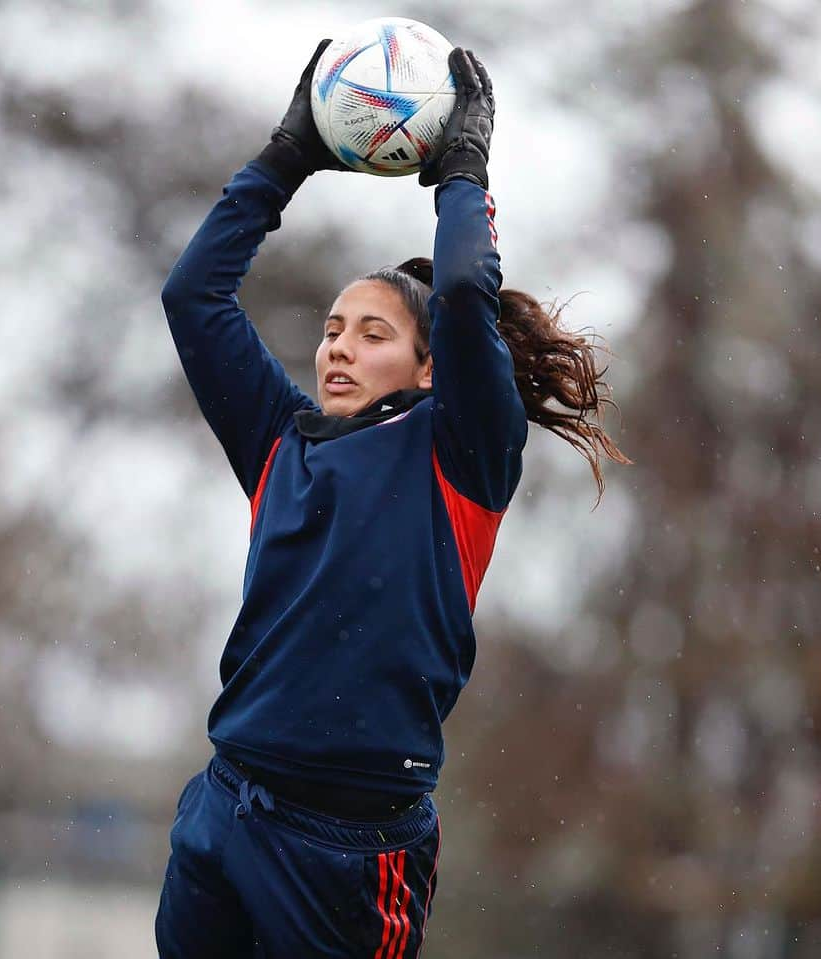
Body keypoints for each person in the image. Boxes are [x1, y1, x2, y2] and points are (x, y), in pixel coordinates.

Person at [155, 41, 629, 959]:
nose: (337, 346)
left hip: (347, 851)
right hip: (226, 806)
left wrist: (464, 168)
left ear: (429, 365)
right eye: (332, 329)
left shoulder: (464, 452)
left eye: (372, 332)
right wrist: (286, 157)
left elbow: (459, 289)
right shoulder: (277, 442)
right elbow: (194, 296)